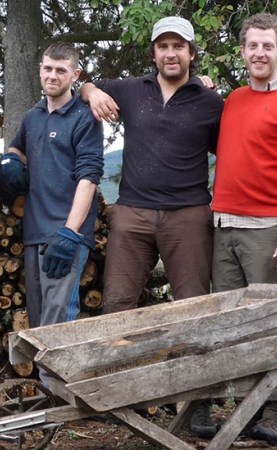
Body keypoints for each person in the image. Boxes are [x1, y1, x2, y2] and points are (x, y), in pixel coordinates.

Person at [199, 13, 277, 445]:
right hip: (223, 227)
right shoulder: (233, 100)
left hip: (270, 231)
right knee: (235, 329)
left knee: (274, 325)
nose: (259, 53)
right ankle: (247, 409)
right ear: (242, 50)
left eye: (267, 46)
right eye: (252, 45)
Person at [79, 17, 223, 314]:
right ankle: (121, 362)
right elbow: (87, 85)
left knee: (193, 306)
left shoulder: (211, 101)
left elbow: (226, 152)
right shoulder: (132, 89)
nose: (170, 53)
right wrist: (92, 92)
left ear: (191, 53)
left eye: (178, 46)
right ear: (154, 53)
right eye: (163, 46)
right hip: (132, 214)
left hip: (188, 217)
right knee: (117, 304)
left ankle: (187, 361)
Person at [4, 42, 103, 387]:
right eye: (47, 68)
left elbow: (89, 176)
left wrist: (71, 232)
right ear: (40, 70)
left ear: (75, 74)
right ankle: (48, 394)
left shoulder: (84, 117)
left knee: (58, 320)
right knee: (38, 320)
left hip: (64, 234)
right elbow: (15, 145)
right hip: (33, 230)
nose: (52, 75)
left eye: (61, 70)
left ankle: (57, 395)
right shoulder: (32, 117)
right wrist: (12, 159)